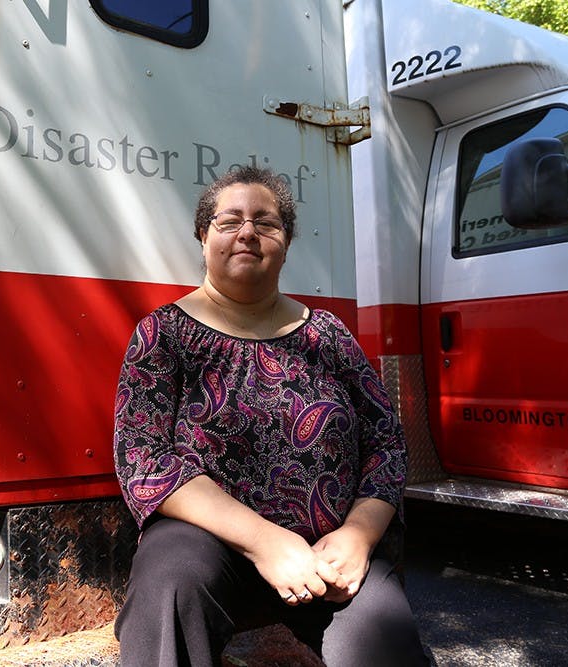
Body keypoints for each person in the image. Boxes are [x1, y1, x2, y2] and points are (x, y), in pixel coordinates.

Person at [112, 166, 428, 666]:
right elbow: (144, 462)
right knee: (169, 582)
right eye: (229, 220)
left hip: (328, 555)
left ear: (286, 242)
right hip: (209, 546)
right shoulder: (163, 335)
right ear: (203, 236)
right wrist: (267, 543)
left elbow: (386, 443)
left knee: (383, 635)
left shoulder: (328, 335)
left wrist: (358, 536)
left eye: (267, 222)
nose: (247, 233)